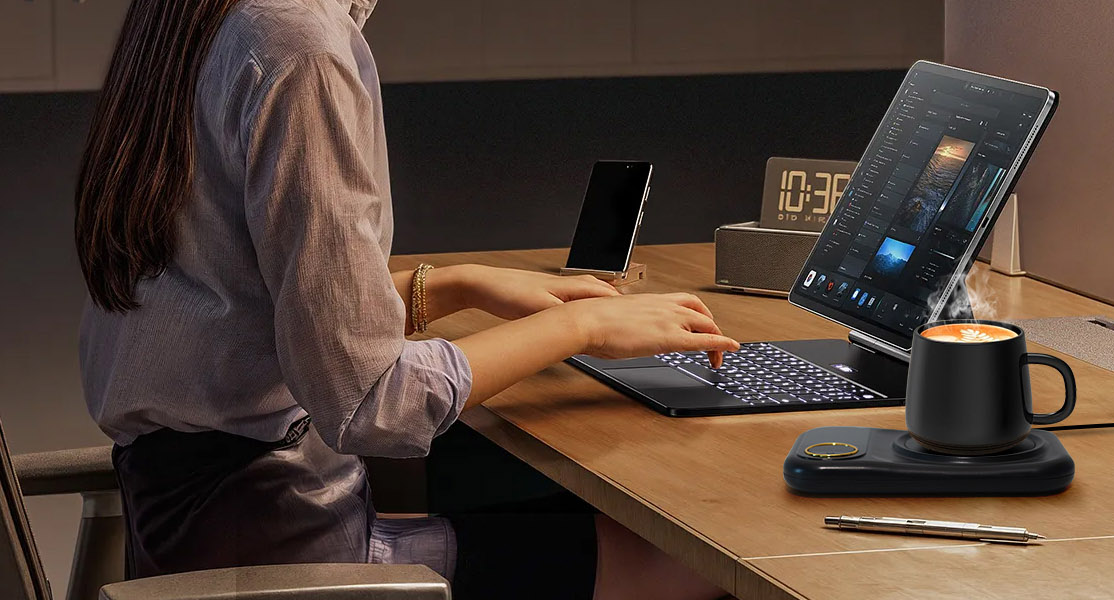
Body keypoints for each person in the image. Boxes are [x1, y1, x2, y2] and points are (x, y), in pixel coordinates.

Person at [72, 1, 737, 598]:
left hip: (196, 543)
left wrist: (451, 285)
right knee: (690, 565)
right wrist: (583, 326)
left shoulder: (204, 18)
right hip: (293, 563)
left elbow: (238, 304)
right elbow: (368, 400)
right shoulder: (301, 49)